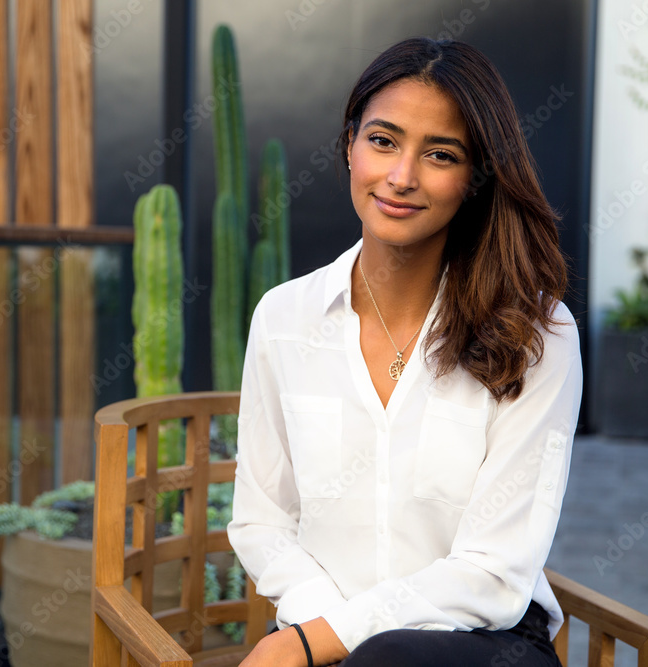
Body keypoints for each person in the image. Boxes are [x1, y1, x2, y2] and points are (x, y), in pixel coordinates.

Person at [227, 37, 583, 667]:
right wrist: (321, 630)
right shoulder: (283, 320)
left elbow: (494, 573)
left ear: (475, 179)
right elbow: (263, 521)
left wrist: (314, 643)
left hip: (485, 645)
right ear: (349, 143)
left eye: (440, 154)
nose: (401, 177)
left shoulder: (537, 334)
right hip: (326, 635)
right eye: (383, 140)